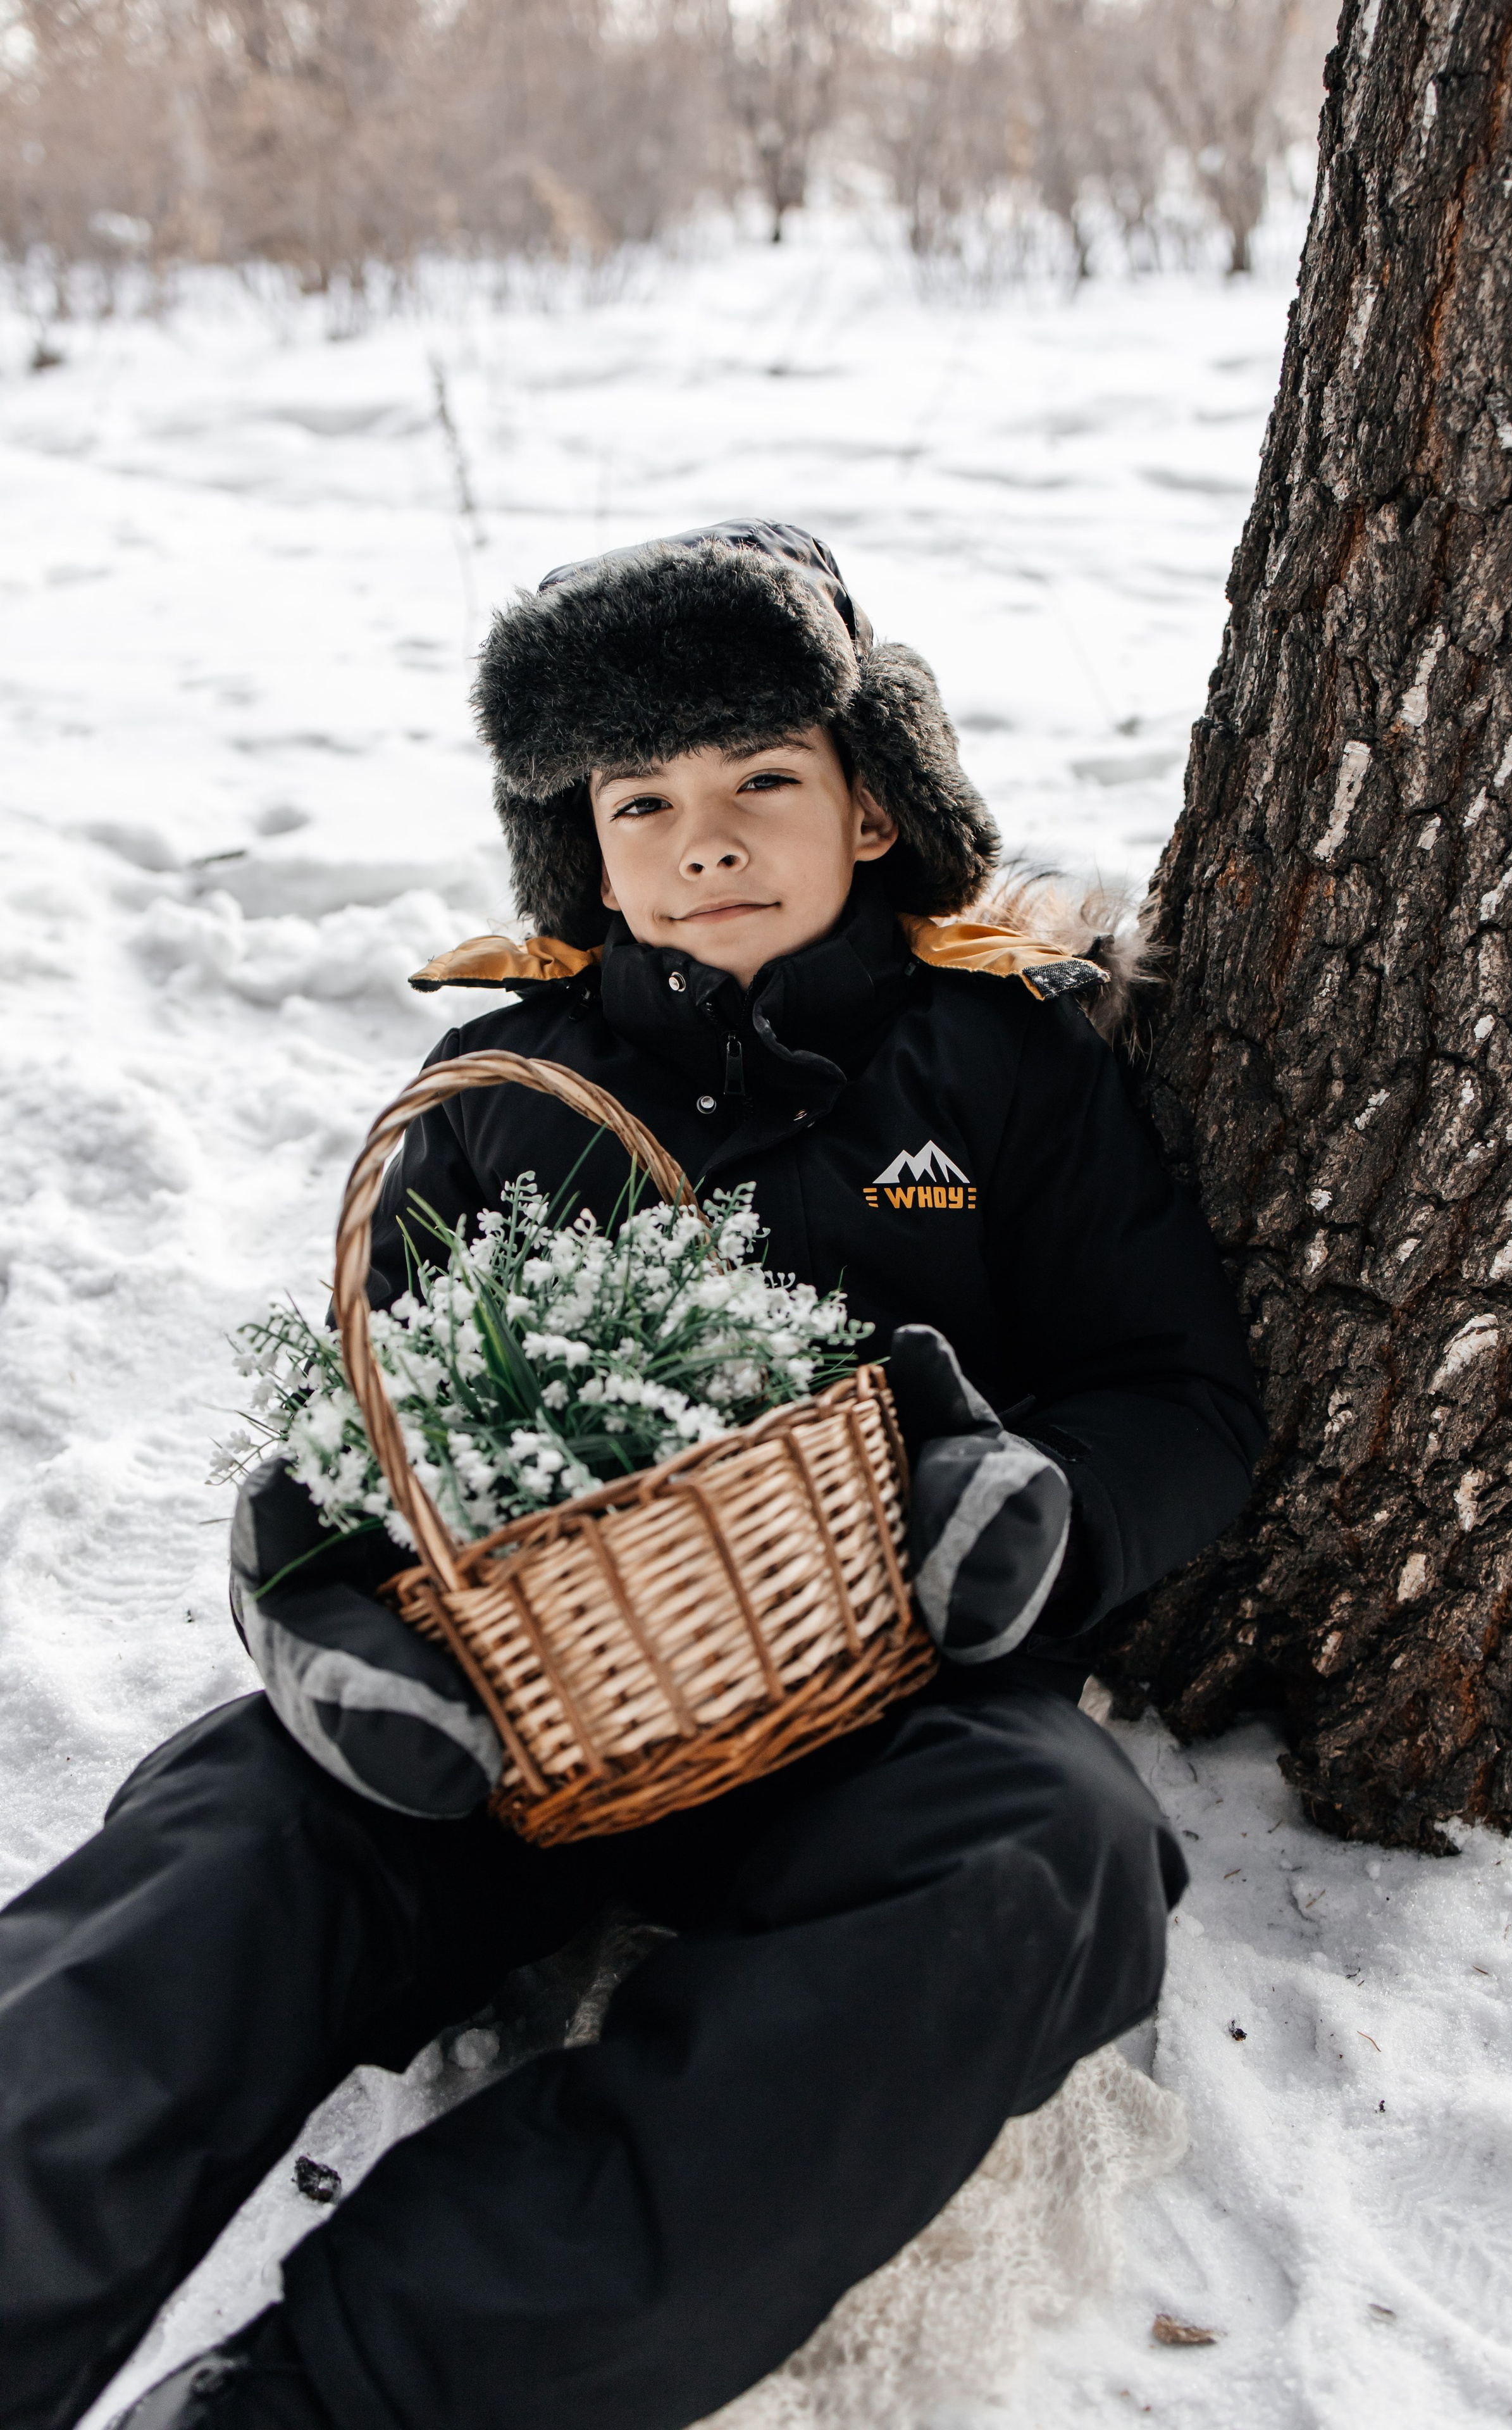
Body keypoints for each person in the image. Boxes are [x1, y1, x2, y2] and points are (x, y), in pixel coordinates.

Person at [0, 522, 1265, 2430]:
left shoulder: (1001, 1062)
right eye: (642, 800)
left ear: (872, 806)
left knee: (1051, 1854)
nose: (708, 840)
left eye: (766, 778)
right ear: (578, 848)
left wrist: (1042, 1518)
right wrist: (322, 1609)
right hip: (523, 1718)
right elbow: (375, 1425)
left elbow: (1180, 1392)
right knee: (228, 1843)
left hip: (886, 1709)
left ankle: (350, 2394)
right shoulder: (503, 1096)